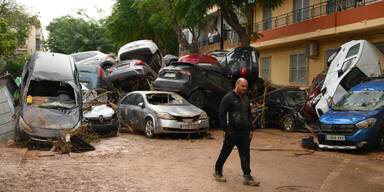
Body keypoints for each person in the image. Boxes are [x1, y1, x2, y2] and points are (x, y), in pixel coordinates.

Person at [213, 78, 259, 186]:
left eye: (246, 86)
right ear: (236, 85)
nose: (245, 89)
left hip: (244, 132)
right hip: (232, 132)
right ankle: (218, 171)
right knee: (225, 151)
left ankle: (247, 176)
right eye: (243, 86)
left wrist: (251, 129)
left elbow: (249, 114)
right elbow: (221, 114)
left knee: (245, 154)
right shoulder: (228, 98)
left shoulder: (246, 98)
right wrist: (226, 130)